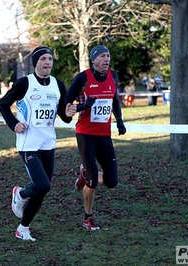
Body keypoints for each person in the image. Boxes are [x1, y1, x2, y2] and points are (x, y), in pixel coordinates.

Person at [0, 46, 76, 241]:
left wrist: (68, 114)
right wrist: (14, 124)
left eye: (50, 59)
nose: (47, 62)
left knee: (42, 189)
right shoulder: (25, 83)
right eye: (43, 59)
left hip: (48, 143)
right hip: (28, 144)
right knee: (43, 185)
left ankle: (23, 229)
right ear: (36, 63)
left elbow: (63, 115)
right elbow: (3, 104)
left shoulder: (57, 85)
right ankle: (21, 193)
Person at [66, 45, 126, 231]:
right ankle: (88, 217)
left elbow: (114, 99)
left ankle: (85, 172)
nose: (106, 59)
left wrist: (120, 120)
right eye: (102, 56)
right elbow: (66, 104)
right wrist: (84, 105)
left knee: (111, 181)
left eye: (108, 55)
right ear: (93, 60)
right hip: (85, 133)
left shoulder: (113, 76)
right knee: (93, 181)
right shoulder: (83, 78)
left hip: (104, 134)